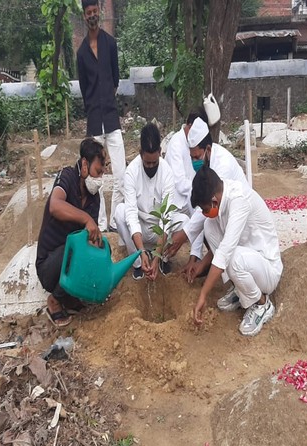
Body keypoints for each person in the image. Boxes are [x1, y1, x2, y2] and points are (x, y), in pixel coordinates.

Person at [190, 167, 283, 336]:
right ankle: (241, 289)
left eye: (205, 209)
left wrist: (203, 294)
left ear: (214, 200)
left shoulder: (239, 200)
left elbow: (225, 252)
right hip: (249, 261)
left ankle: (262, 304)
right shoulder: (222, 196)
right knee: (209, 227)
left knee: (232, 258)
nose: (204, 213)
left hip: (267, 269)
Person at [165, 117, 249, 282]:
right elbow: (201, 211)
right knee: (209, 227)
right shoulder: (207, 164)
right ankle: (229, 279)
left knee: (227, 247)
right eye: (192, 158)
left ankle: (234, 281)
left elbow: (204, 210)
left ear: (208, 149)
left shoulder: (221, 166)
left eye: (197, 157)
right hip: (225, 213)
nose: (194, 162)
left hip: (239, 216)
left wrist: (184, 235)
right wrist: (193, 257)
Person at [36, 138, 106, 328]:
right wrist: (86, 219)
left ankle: (70, 295)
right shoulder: (67, 176)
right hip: (50, 265)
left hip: (68, 260)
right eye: (98, 171)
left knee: (91, 249)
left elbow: (89, 236)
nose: (100, 178)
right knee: (75, 250)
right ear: (84, 164)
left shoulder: (94, 197)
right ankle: (55, 300)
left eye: (102, 173)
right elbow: (55, 206)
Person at [115, 123, 189, 281]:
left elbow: (166, 217)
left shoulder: (167, 172)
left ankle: (162, 259)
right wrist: (141, 251)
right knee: (120, 212)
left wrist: (156, 256)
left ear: (160, 153)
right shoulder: (131, 172)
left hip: (159, 231)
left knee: (185, 222)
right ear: (140, 153)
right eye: (147, 163)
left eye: (154, 163)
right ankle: (138, 262)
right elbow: (131, 214)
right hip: (140, 226)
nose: (150, 166)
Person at [76, 0, 125, 233]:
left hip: (112, 120)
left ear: (99, 12)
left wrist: (106, 100)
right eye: (89, 13)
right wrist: (94, 105)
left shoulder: (110, 44)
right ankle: (101, 224)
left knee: (121, 174)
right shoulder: (81, 53)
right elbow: (84, 88)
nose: (92, 15)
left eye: (95, 11)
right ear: (84, 16)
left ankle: (115, 220)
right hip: (95, 121)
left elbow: (115, 79)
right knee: (96, 178)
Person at [163, 109, 209, 217]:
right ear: (189, 126)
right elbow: (180, 184)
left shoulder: (196, 143)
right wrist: (202, 188)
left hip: (191, 198)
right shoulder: (176, 144)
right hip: (178, 206)